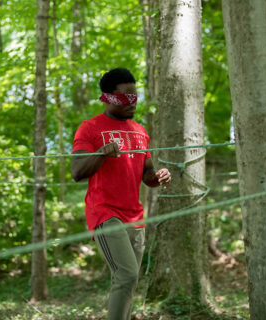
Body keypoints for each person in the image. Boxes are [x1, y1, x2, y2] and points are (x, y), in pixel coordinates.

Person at [71, 68, 171, 320]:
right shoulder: (90, 128)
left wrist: (158, 176)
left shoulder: (140, 131)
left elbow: (147, 175)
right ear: (108, 97)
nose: (132, 102)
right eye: (126, 97)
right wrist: (102, 152)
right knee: (126, 274)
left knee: (127, 282)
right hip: (105, 213)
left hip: (135, 217)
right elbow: (77, 171)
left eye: (135, 97)